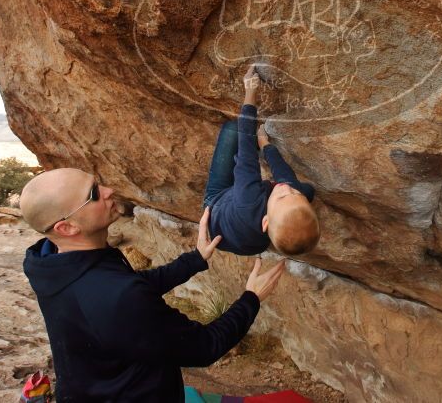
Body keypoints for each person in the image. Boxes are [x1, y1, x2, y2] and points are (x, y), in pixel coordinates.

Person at [19, 168, 284, 402]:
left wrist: (195, 258)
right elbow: (204, 346)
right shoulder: (114, 294)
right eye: (94, 194)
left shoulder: (51, 262)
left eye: (98, 183)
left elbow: (130, 286)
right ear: (67, 227)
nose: (109, 190)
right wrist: (252, 298)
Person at [204, 64, 320, 256]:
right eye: (295, 195)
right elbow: (285, 179)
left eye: (283, 196)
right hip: (248, 241)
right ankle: (291, 205)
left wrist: (251, 90)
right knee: (307, 191)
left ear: (266, 222)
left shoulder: (247, 200)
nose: (287, 189)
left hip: (216, 207)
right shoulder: (287, 194)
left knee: (232, 130)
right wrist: (266, 145)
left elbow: (246, 150)